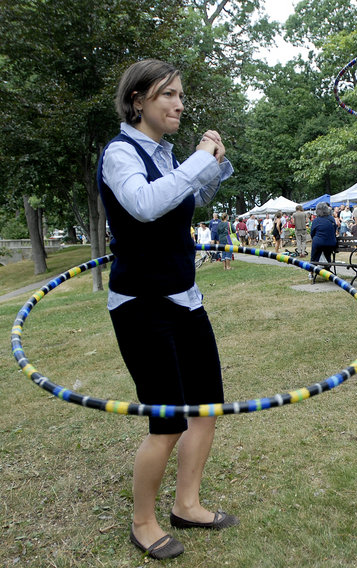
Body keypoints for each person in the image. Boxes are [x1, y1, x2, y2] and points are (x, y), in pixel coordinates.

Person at [97, 59, 238, 561]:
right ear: (138, 101)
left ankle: (188, 504)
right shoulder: (120, 153)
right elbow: (144, 205)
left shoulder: (165, 154)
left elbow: (187, 200)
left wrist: (213, 163)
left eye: (180, 95)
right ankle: (143, 520)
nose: (179, 104)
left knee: (205, 409)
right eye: (168, 95)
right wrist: (198, 159)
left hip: (185, 297)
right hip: (141, 304)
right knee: (168, 420)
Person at [309, 201, 337, 279]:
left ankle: (311, 272)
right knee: (327, 254)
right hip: (331, 243)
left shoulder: (316, 220)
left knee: (314, 257)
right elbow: (334, 230)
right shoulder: (331, 219)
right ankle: (327, 268)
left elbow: (312, 233)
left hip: (319, 242)